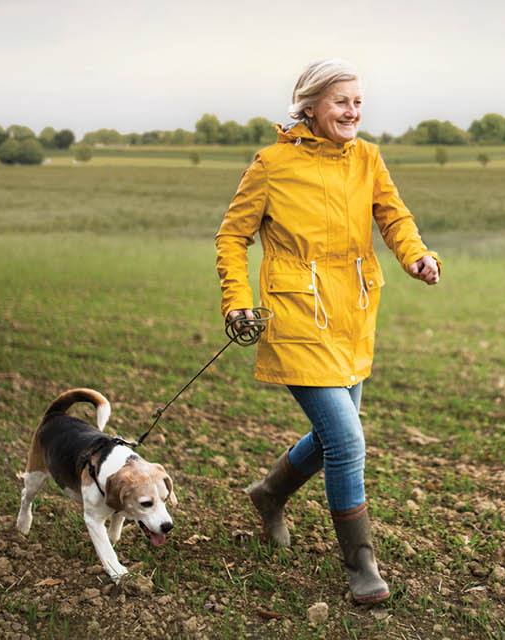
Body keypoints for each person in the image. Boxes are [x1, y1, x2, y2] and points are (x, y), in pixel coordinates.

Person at [213, 58, 440, 604]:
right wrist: (237, 301)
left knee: (335, 435)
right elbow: (231, 237)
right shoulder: (271, 165)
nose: (353, 112)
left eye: (358, 102)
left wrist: (415, 255)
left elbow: (394, 217)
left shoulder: (368, 159)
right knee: (346, 440)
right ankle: (361, 565)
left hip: (353, 314)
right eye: (342, 102)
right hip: (295, 317)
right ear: (310, 105)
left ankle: (269, 494)